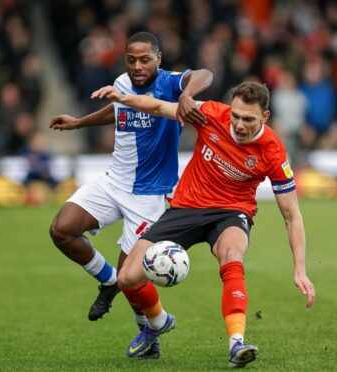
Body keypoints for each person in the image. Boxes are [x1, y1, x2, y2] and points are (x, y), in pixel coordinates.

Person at [92, 81, 316, 368]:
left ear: (265, 117)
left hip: (231, 212)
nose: (239, 124)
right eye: (235, 115)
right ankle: (157, 322)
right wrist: (124, 97)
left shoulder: (273, 151)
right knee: (127, 278)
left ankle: (237, 343)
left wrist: (300, 270)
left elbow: (292, 215)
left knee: (232, 254)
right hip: (186, 206)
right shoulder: (211, 113)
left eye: (248, 119)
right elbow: (160, 106)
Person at [48, 32, 213, 359]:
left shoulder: (170, 84)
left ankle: (152, 328)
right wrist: (79, 123)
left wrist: (187, 95)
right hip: (113, 181)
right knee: (61, 230)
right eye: (132, 59)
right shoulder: (121, 82)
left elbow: (204, 75)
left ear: (158, 59)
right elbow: (117, 111)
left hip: (149, 195)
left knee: (132, 279)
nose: (137, 66)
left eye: (145, 59)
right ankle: (108, 281)